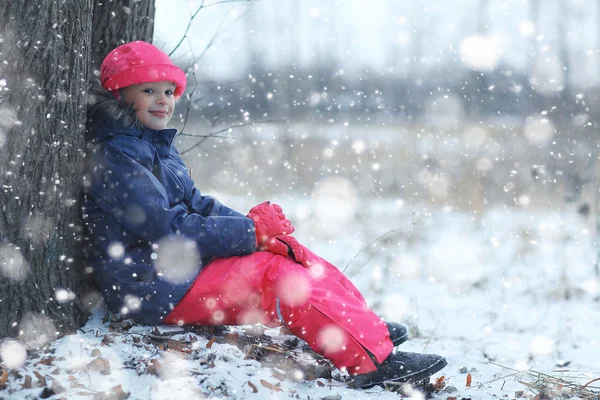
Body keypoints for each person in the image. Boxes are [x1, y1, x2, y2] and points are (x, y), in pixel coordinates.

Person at [82, 40, 447, 389]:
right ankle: (372, 363)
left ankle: (363, 330)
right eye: (148, 91)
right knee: (277, 274)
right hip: (150, 285)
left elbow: (198, 204)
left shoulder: (154, 146)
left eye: (168, 91)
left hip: (175, 271)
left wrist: (256, 230)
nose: (162, 101)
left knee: (288, 253)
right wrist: (250, 234)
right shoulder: (118, 156)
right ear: (119, 94)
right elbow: (168, 227)